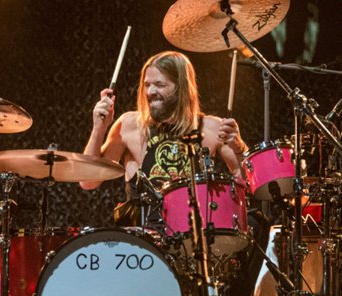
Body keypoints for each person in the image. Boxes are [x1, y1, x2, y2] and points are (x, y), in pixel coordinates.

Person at [80, 50, 248, 227]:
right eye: (146, 85)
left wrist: (238, 146)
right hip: (144, 244)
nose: (150, 91)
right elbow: (88, 181)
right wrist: (99, 129)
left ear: (181, 87)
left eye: (159, 84)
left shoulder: (212, 127)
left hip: (197, 237)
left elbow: (247, 182)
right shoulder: (129, 125)